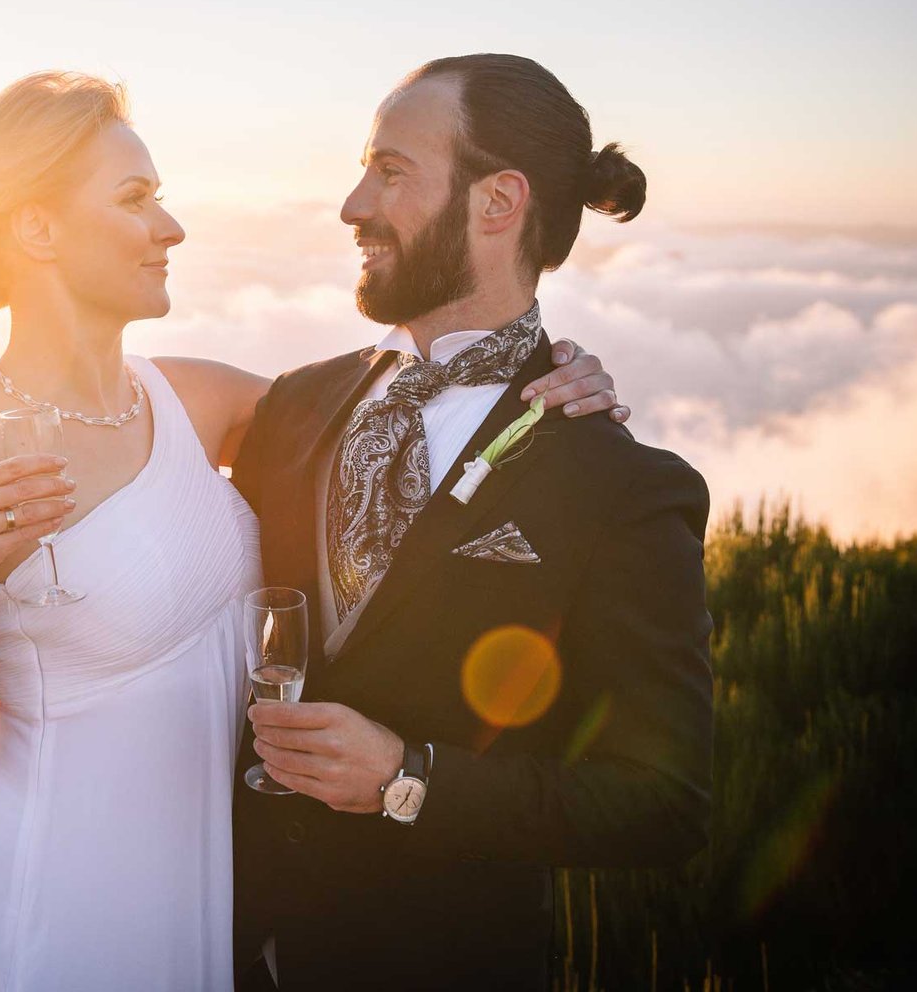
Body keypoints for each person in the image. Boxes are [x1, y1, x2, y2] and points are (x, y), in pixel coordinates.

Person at [0, 71, 628, 991]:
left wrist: (549, 377)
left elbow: (392, 436)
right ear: (36, 229)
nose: (171, 226)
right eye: (135, 199)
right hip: (57, 887)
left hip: (211, 892)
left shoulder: (206, 400)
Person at [230, 54, 715, 990]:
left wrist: (410, 781)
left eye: (392, 171)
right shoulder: (294, 404)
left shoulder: (620, 487)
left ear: (498, 203)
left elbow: (663, 803)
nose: (352, 204)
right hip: (226, 953)